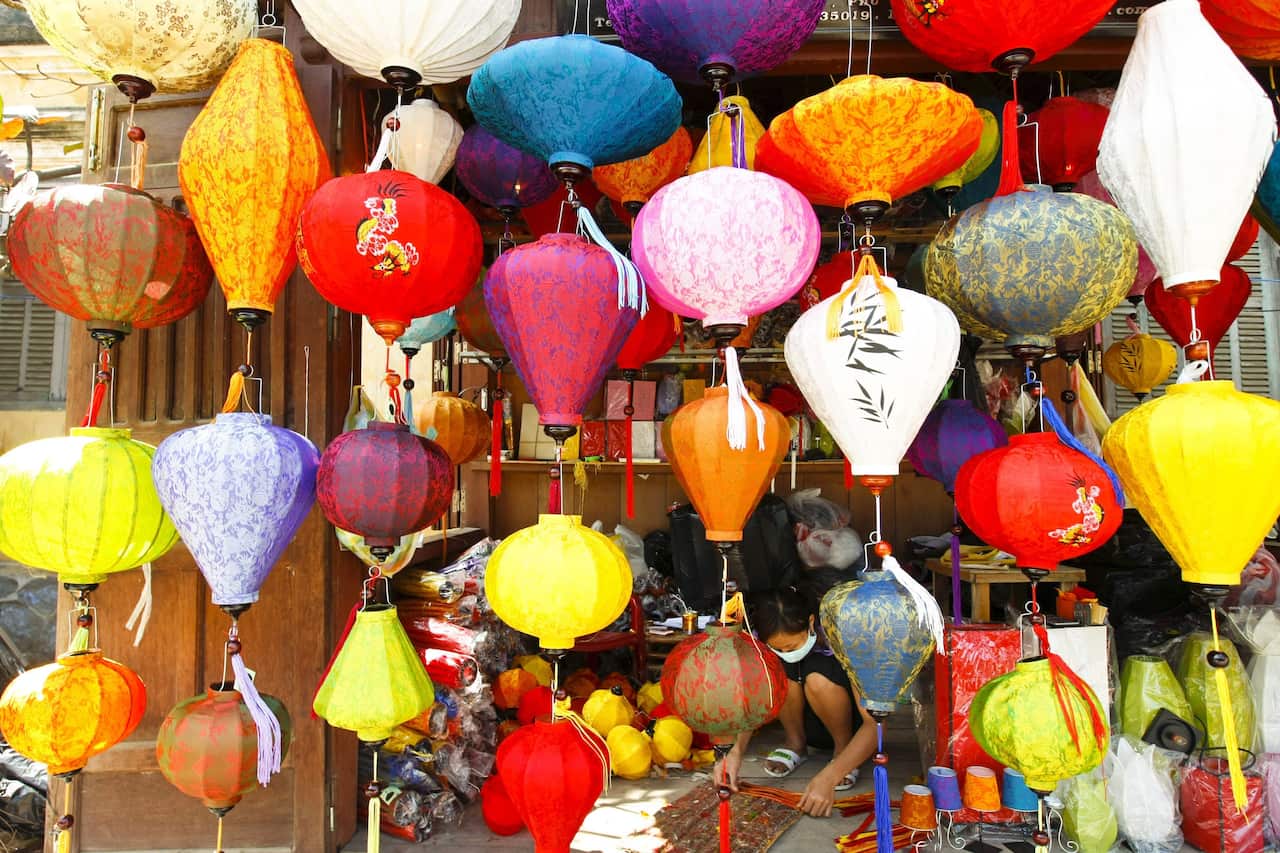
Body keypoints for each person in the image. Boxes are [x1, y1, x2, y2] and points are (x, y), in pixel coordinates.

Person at [719, 586, 876, 817]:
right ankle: (795, 743)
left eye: (791, 647)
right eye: (778, 648)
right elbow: (754, 701)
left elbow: (874, 725)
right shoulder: (761, 648)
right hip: (804, 721)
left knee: (817, 680)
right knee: (779, 674)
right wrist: (736, 751)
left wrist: (830, 776)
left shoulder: (844, 641)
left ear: (811, 623)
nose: (785, 652)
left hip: (849, 724)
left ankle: (842, 752)